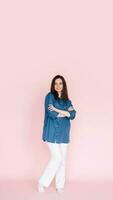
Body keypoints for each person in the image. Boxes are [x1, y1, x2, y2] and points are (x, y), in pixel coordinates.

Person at [37, 75, 77, 193]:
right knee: (57, 158)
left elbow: (73, 115)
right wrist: (66, 113)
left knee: (63, 160)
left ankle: (60, 185)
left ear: (64, 85)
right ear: (53, 85)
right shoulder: (49, 97)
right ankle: (42, 182)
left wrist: (58, 110)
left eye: (60, 83)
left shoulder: (67, 101)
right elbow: (51, 113)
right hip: (51, 132)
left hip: (64, 134)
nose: (58, 86)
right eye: (56, 83)